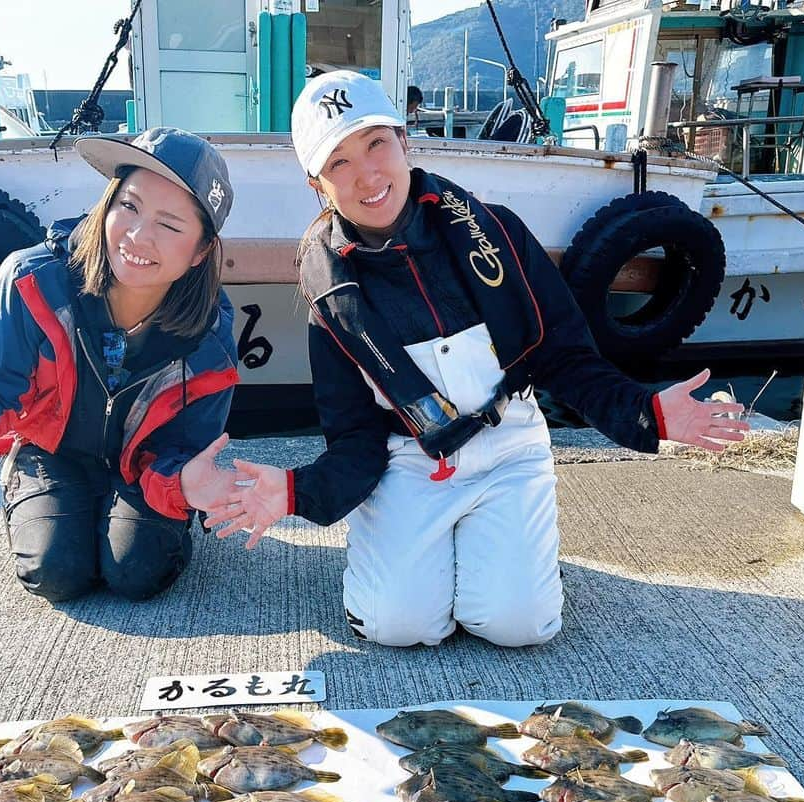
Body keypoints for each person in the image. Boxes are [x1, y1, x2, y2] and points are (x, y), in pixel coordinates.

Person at [207, 71, 747, 648]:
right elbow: (355, 438)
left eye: (375, 144)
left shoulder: (498, 233)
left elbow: (563, 356)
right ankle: (420, 550)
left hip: (509, 444)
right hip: (407, 458)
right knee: (396, 626)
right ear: (316, 183)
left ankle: (511, 555)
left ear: (404, 141)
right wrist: (295, 491)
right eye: (338, 162)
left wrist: (648, 412)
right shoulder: (331, 301)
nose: (366, 174)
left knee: (519, 626)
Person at [0, 128, 240, 604]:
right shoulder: (32, 279)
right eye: (129, 206)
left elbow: (186, 446)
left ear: (201, 251)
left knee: (137, 573)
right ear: (107, 204)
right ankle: (31, 483)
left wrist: (183, 484)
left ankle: (124, 519)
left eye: (171, 224)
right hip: (50, 451)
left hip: (146, 467)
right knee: (56, 573)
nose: (138, 235)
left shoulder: (210, 334)